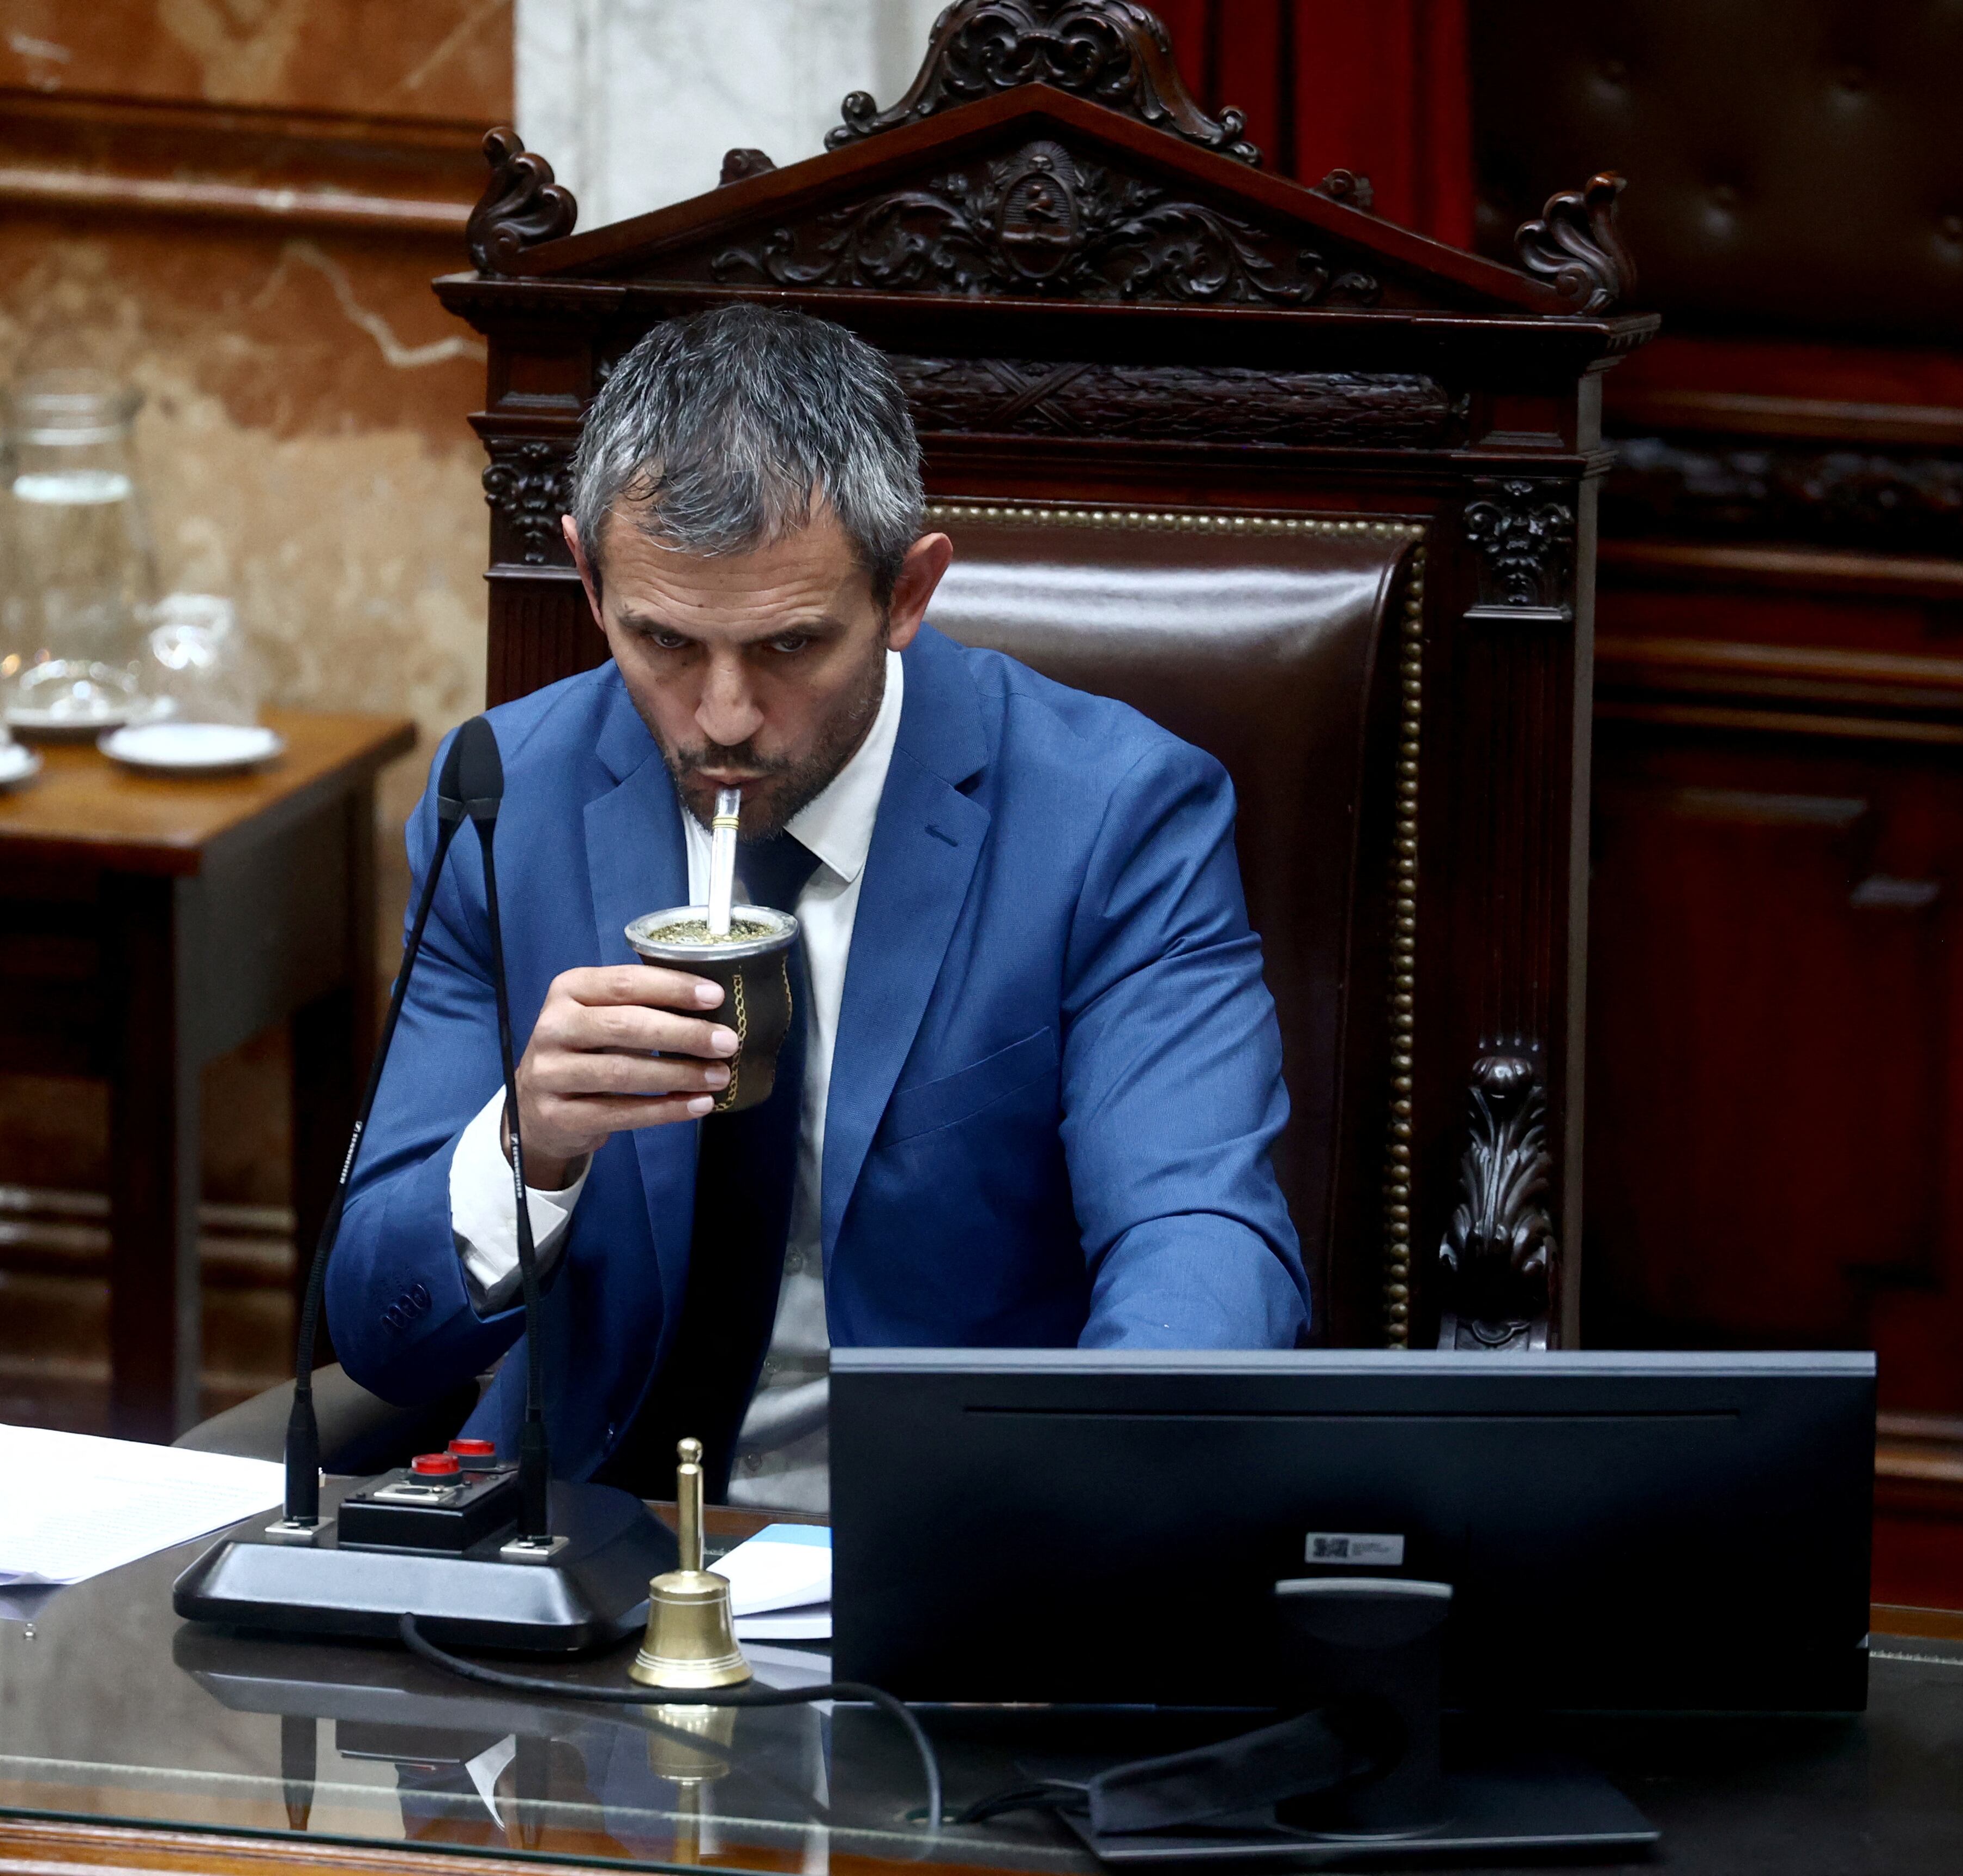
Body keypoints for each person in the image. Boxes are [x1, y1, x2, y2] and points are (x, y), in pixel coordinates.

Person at [329, 304, 1306, 1512]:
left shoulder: (1112, 816)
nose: (724, 715)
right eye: (665, 642)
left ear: (908, 592)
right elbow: (378, 1326)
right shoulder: (500, 798)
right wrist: (528, 1146)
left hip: (953, 1549)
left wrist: (1070, 1520)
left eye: (790, 646)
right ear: (588, 578)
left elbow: (1202, 1247)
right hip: (579, 1545)